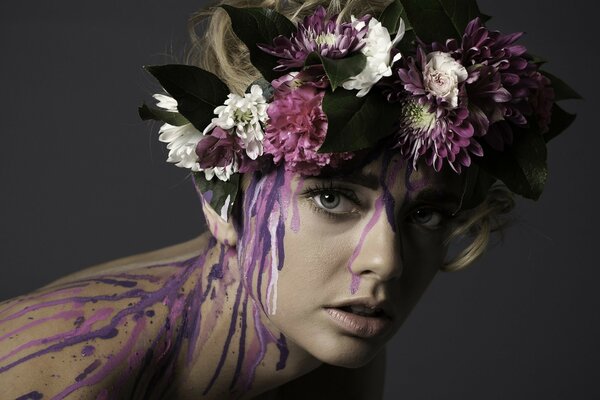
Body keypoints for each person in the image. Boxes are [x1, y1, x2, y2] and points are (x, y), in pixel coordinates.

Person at [0, 0, 576, 398]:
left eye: (425, 213)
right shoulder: (66, 375)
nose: (385, 261)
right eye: (332, 198)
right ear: (221, 199)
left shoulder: (323, 341)